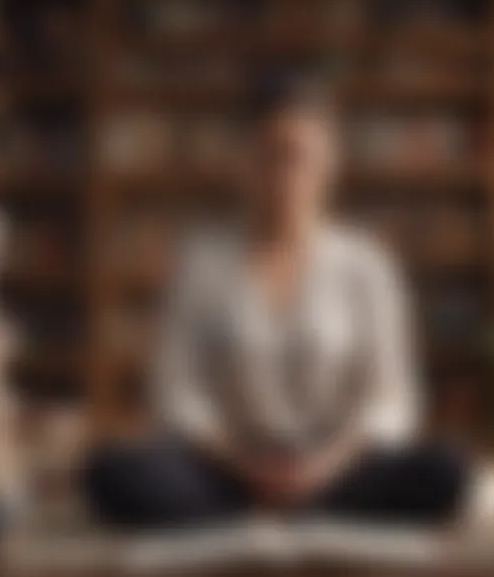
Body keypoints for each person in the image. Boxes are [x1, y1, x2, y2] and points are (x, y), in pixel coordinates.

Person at [83, 67, 469, 529]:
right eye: (269, 155)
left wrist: (325, 466)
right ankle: (280, 509)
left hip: (337, 468)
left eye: (299, 155)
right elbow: (177, 392)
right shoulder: (202, 264)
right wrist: (243, 466)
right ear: (244, 162)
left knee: (448, 471)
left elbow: (389, 398)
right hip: (227, 469)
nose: (284, 173)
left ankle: (292, 509)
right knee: (112, 474)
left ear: (330, 160)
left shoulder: (367, 265)